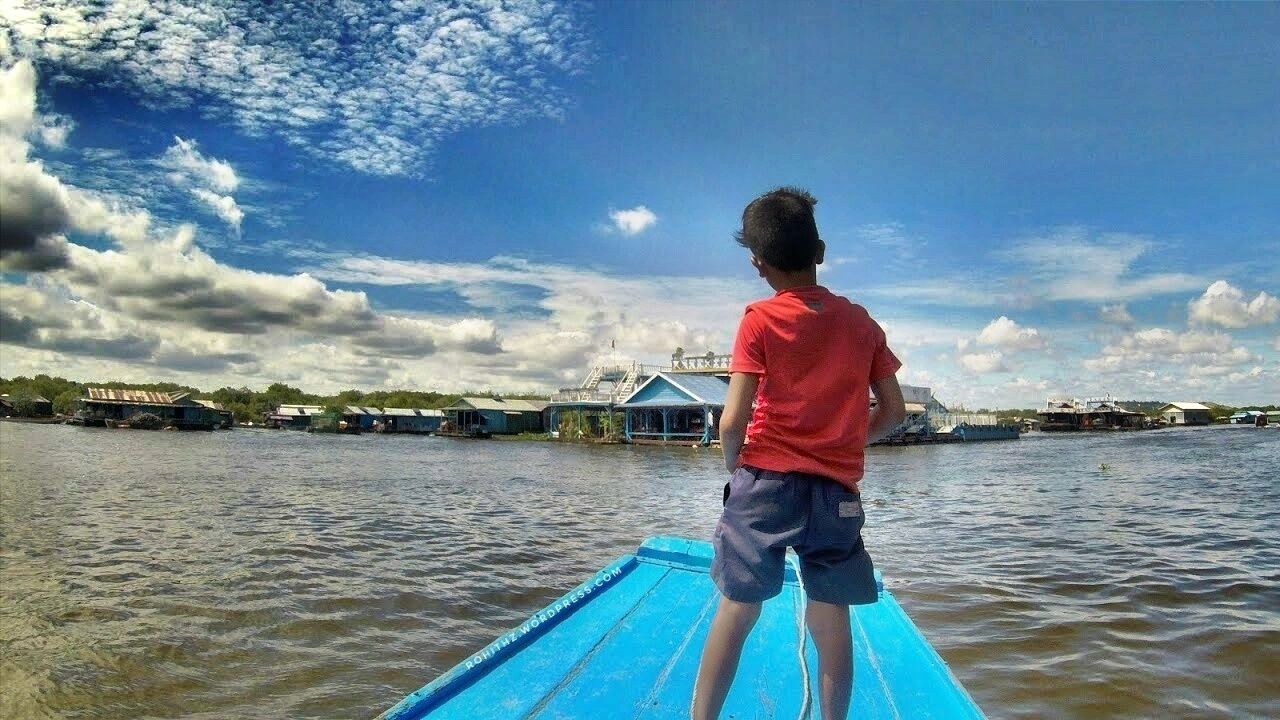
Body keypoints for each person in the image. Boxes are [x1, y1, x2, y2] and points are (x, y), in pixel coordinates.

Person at [690, 187, 907, 720]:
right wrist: (850, 443)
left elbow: (733, 420)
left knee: (738, 608)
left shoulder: (759, 320)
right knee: (831, 616)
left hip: (764, 481)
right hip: (835, 493)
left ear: (757, 265)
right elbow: (896, 411)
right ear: (822, 251)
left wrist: (735, 469)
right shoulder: (861, 324)